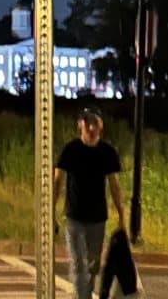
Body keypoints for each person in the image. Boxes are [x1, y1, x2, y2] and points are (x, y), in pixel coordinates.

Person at [54, 107, 125, 299]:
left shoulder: (107, 152)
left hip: (97, 218)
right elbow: (57, 181)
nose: (91, 127)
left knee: (93, 265)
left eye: (95, 123)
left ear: (101, 126)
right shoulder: (70, 150)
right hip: (74, 217)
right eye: (87, 122)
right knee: (78, 263)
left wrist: (122, 215)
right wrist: (51, 211)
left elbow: (114, 185)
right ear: (80, 125)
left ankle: (84, 293)